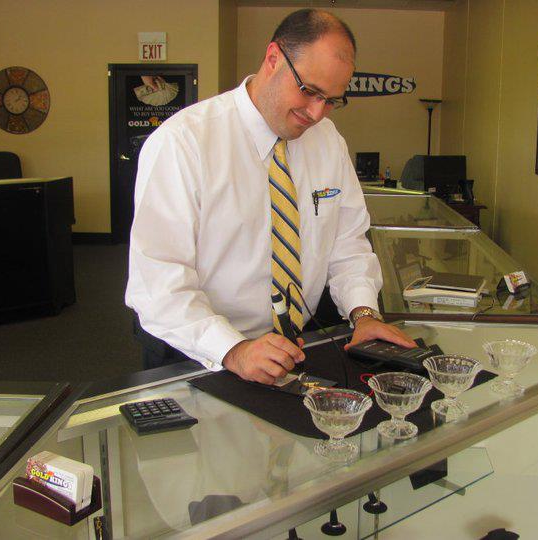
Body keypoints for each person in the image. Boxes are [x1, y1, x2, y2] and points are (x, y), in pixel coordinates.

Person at [126, 9, 415, 384]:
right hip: (198, 351)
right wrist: (233, 349)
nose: (316, 113)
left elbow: (347, 243)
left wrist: (363, 314)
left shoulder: (328, 141)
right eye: (309, 91)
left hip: (294, 346)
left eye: (331, 100)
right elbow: (158, 282)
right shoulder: (184, 142)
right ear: (274, 58)